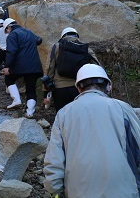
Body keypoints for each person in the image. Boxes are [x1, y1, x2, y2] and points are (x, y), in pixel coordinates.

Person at [43, 64, 140, 197]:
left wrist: (55, 190)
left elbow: (54, 159)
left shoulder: (63, 114)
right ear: (109, 86)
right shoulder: (122, 108)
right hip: (124, 191)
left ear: (78, 88)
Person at [44, 27, 100, 112]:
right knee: (79, 114)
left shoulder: (56, 47)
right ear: (77, 36)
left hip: (60, 88)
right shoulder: (85, 48)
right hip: (80, 87)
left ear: (62, 36)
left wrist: (46, 90)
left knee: (62, 115)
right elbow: (97, 66)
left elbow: (49, 69)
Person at [2, 18, 43, 118]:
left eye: (6, 30)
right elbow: (39, 40)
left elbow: (11, 52)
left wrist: (7, 66)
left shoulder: (12, 35)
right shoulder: (28, 32)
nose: (7, 32)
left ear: (8, 27)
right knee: (31, 88)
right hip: (34, 66)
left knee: (9, 79)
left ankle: (16, 100)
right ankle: (30, 112)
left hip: (20, 66)